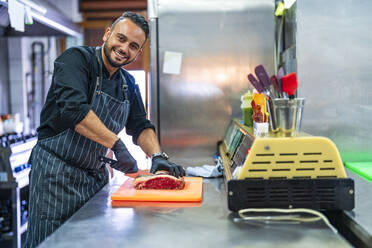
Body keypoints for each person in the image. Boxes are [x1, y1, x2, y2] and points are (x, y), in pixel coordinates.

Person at [25, 12, 185, 248]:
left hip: (94, 179)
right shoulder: (76, 60)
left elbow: (140, 125)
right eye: (120, 38)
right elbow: (74, 111)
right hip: (54, 176)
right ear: (107, 34)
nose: (124, 48)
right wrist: (117, 145)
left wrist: (158, 156)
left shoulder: (127, 83)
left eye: (133, 46)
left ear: (138, 53)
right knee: (51, 243)